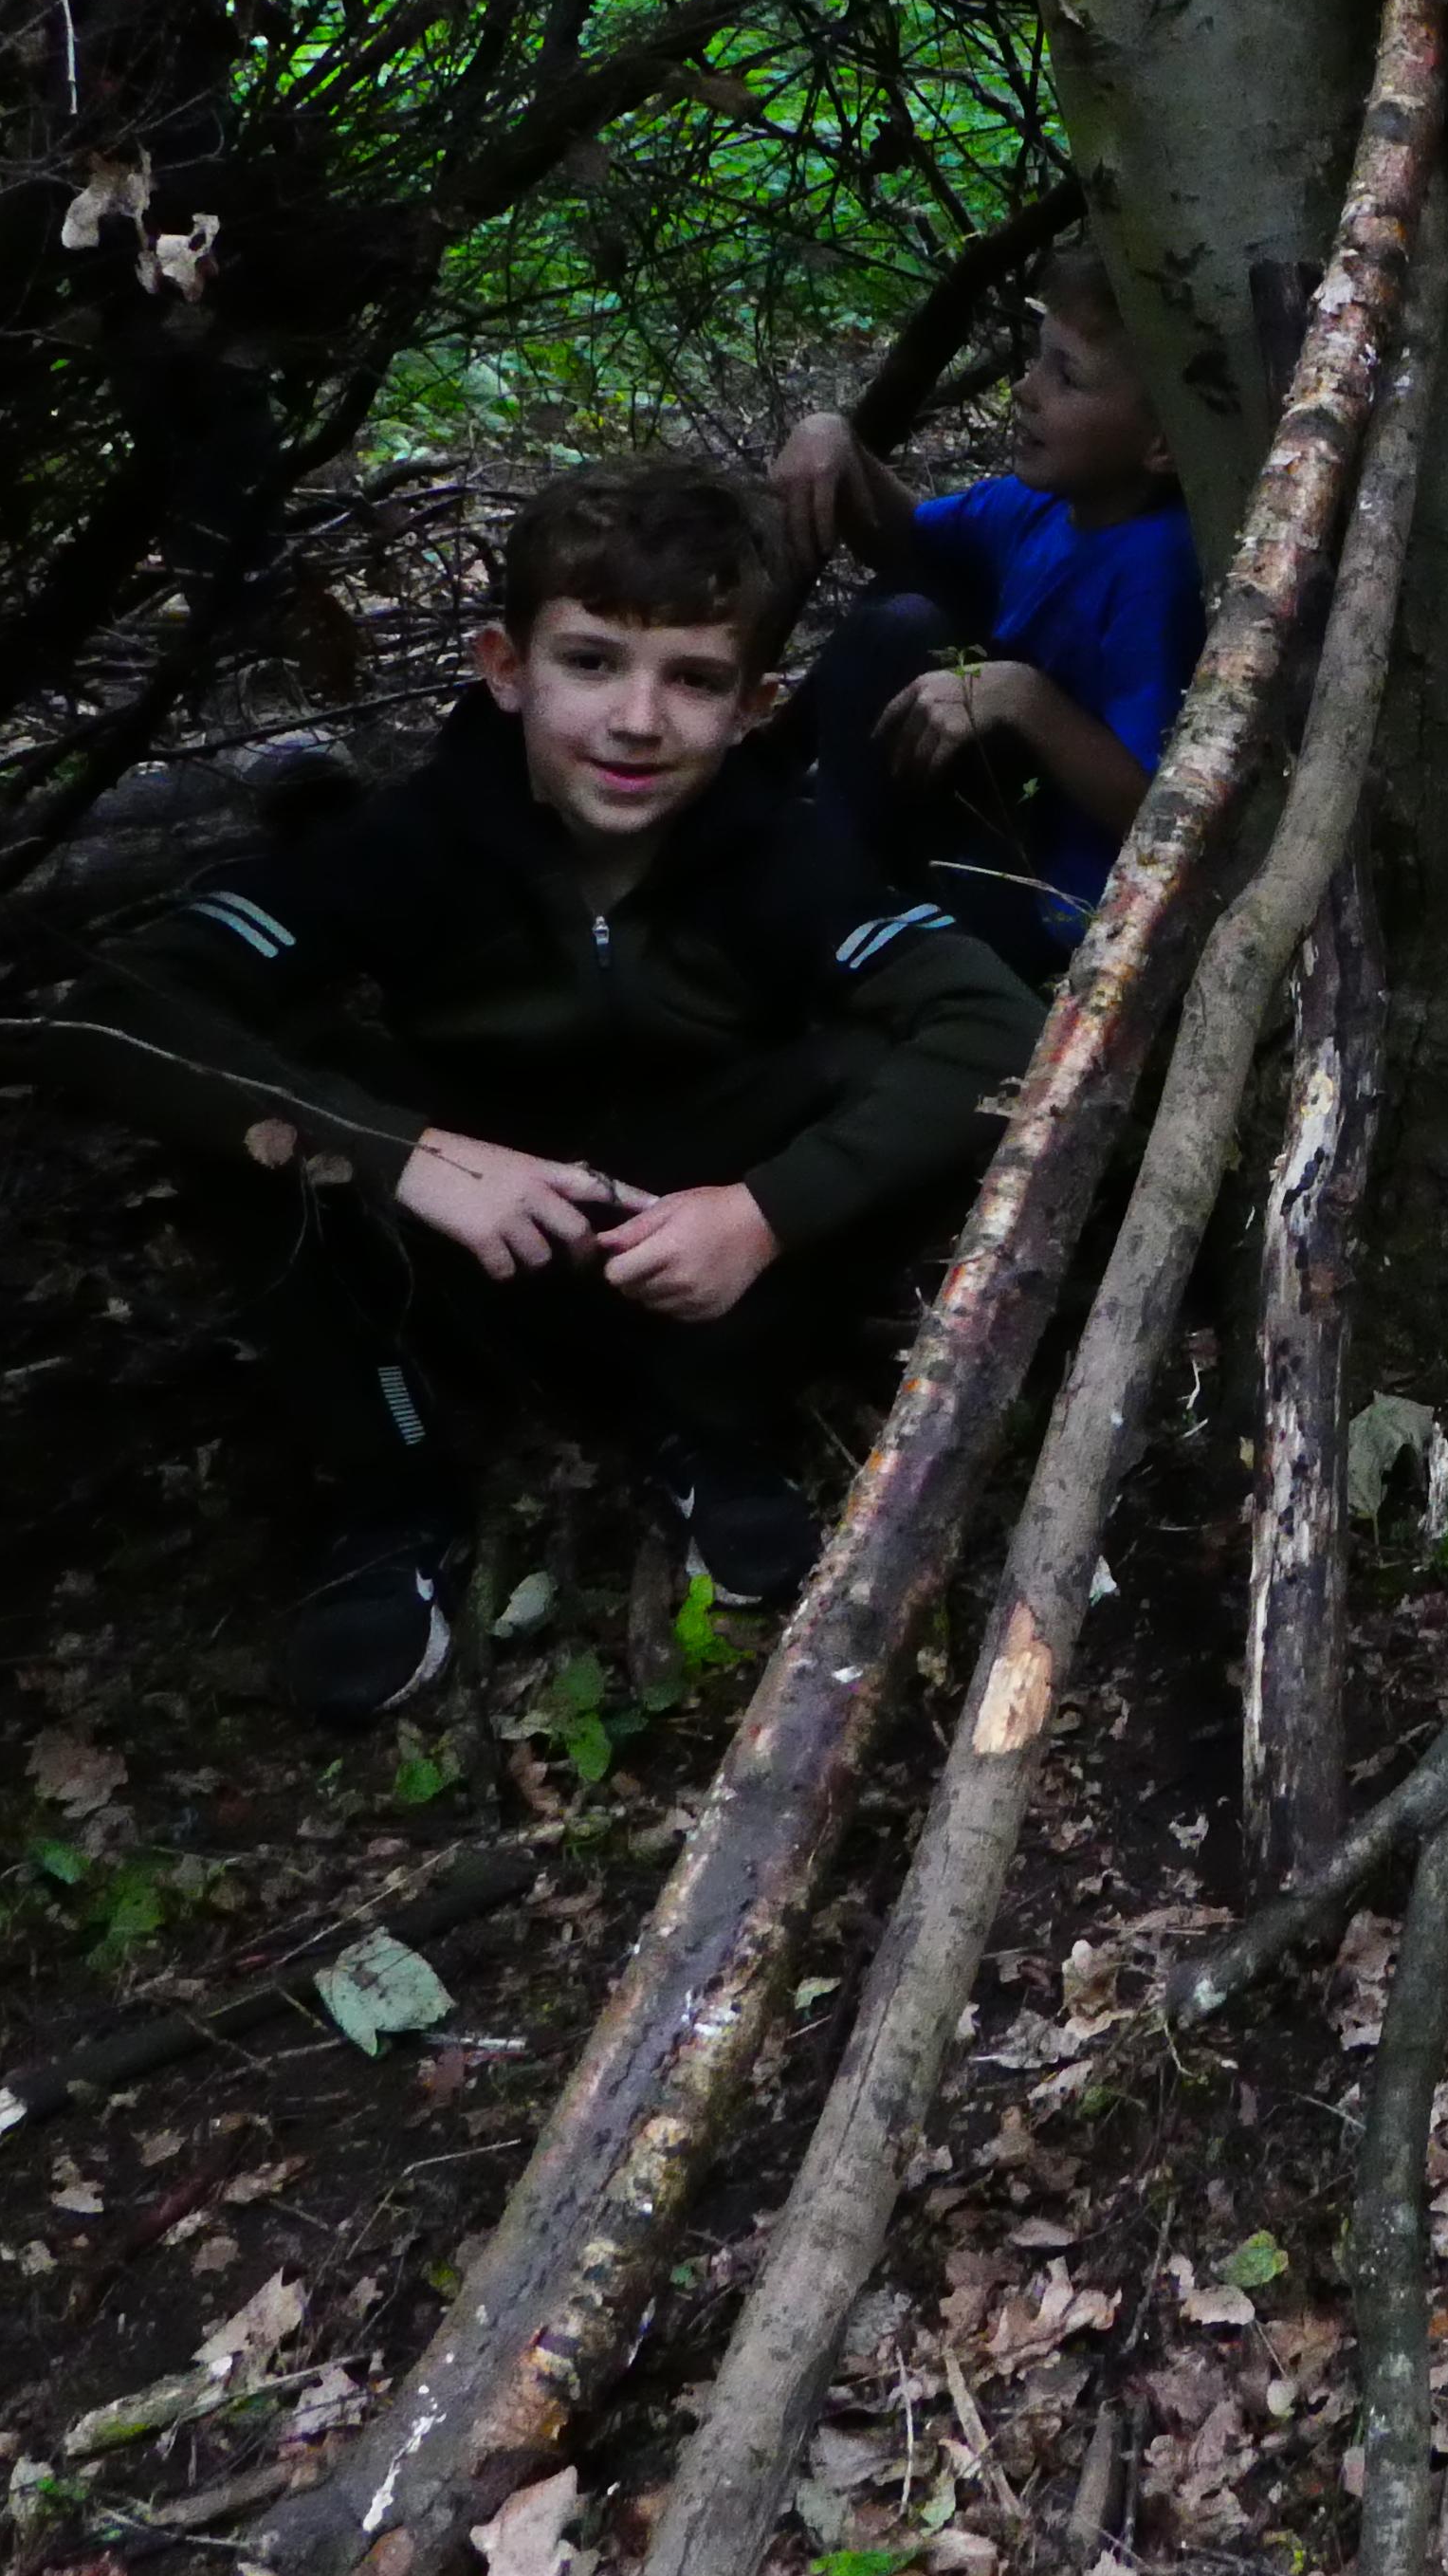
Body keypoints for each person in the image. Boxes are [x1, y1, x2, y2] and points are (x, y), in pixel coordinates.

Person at [64, 457, 1043, 1722]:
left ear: (755, 706)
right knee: (261, 1106)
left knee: (888, 1069)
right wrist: (403, 1150)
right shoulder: (413, 842)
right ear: (504, 666)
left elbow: (995, 1025)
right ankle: (396, 1495)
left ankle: (712, 1428)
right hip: (470, 1248)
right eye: (591, 662)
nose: (636, 721)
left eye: (694, 680)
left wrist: (764, 1214)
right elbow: (119, 1005)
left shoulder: (781, 850)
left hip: (697, 1258)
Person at [768, 238, 1208, 977]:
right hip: (992, 833)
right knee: (900, 619)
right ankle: (823, 867)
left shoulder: (1157, 570)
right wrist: (835, 440)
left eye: (1067, 376)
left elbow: (1160, 814)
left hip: (1057, 908)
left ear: (1162, 444)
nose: (1026, 390)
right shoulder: (1047, 507)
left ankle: (838, 914)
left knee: (901, 628)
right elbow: (907, 543)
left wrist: (1023, 698)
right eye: (1038, 359)